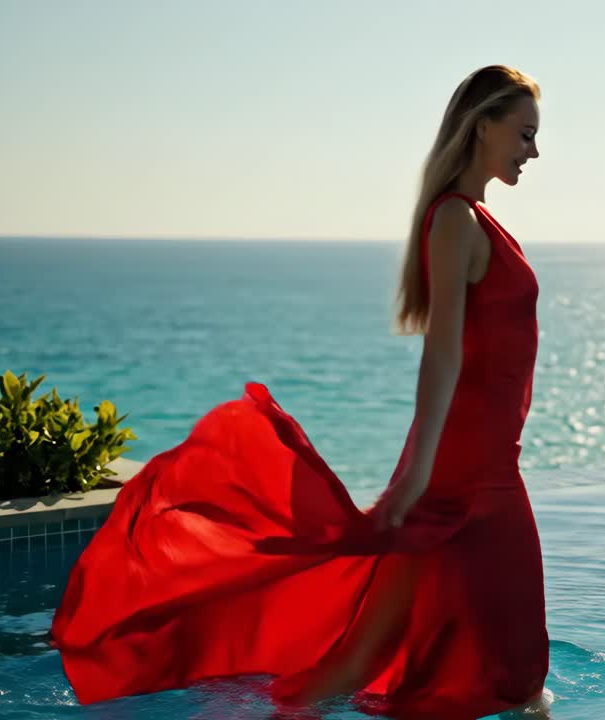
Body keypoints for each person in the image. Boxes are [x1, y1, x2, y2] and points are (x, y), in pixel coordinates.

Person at [49, 65, 552, 719]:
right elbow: (443, 354)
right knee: (517, 670)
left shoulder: (474, 218)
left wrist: (420, 473)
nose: (533, 152)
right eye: (524, 133)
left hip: (477, 463)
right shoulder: (456, 220)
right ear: (482, 124)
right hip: (470, 475)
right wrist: (420, 475)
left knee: (364, 659)